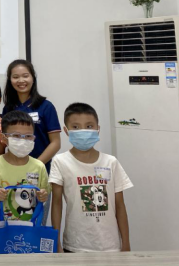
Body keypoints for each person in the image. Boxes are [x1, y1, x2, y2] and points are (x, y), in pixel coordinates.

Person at [50, 102, 133, 253]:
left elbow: (120, 205)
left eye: (89, 126)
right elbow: (56, 204)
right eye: (76, 127)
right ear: (66, 131)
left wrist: (126, 243)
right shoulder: (60, 161)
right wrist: (56, 243)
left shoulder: (111, 162)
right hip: (75, 245)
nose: (83, 131)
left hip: (110, 246)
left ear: (97, 129)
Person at [2, 59, 61, 224]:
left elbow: (55, 143)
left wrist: (35, 166)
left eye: (25, 76)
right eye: (15, 77)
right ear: (10, 80)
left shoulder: (46, 106)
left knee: (36, 221)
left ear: (33, 78)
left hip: (39, 173)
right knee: (13, 217)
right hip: (12, 172)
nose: (21, 80)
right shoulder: (8, 108)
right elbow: (6, 141)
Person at [0, 111, 50, 225]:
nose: (23, 140)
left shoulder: (39, 166)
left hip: (30, 229)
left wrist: (43, 196)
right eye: (16, 136)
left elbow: (44, 195)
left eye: (28, 136)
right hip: (1, 229)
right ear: (3, 138)